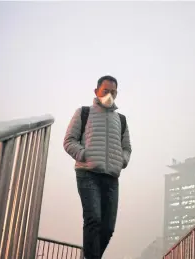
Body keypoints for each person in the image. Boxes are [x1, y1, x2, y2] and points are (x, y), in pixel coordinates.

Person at [63, 75, 132, 259]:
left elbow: (127, 148)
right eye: (106, 91)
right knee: (93, 219)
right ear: (96, 91)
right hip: (87, 174)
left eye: (113, 92)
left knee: (108, 228)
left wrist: (122, 161)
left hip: (111, 178)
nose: (110, 95)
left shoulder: (121, 120)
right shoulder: (83, 113)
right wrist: (84, 155)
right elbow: (69, 141)